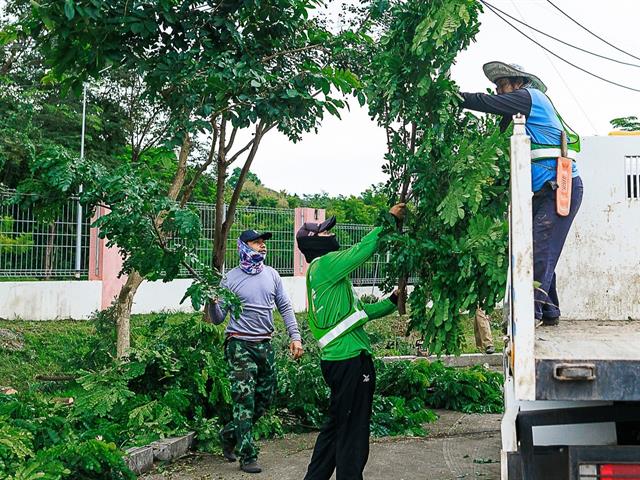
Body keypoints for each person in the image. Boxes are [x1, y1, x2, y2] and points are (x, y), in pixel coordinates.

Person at [460, 61, 584, 326]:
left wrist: (456, 98)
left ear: (517, 83)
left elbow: (487, 103)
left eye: (502, 85)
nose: (498, 92)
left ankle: (531, 315)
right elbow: (498, 132)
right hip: (545, 191)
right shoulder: (521, 115)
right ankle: (549, 312)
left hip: (560, 187)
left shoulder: (531, 97)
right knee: (538, 248)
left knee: (539, 250)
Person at [297, 203, 405, 480]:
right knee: (353, 431)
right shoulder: (327, 266)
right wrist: (389, 219)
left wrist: (392, 301)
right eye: (324, 233)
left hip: (338, 362)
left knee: (337, 426)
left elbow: (360, 314)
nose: (330, 235)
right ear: (314, 244)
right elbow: (363, 250)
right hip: (350, 363)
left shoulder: (326, 276)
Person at [206, 229, 304, 474]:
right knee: (244, 400)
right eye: (257, 242)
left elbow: (285, 306)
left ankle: (229, 435)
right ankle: (247, 455)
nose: (263, 246)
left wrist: (295, 336)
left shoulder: (272, 275)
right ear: (243, 246)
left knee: (264, 399)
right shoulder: (230, 279)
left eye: (263, 242)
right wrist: (212, 301)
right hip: (239, 345)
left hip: (265, 345)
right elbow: (218, 319)